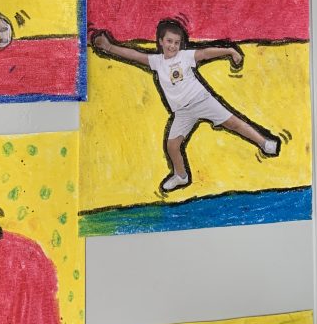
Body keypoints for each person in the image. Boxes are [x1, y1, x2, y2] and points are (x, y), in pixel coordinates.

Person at [91, 18, 281, 193]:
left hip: (202, 100)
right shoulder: (156, 62)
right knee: (172, 145)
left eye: (176, 42)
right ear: (160, 42)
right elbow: (133, 54)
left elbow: (206, 53)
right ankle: (181, 175)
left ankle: (264, 143)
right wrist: (109, 47)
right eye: (169, 41)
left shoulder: (184, 56)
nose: (172, 46)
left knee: (234, 123)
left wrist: (230, 51)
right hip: (182, 112)